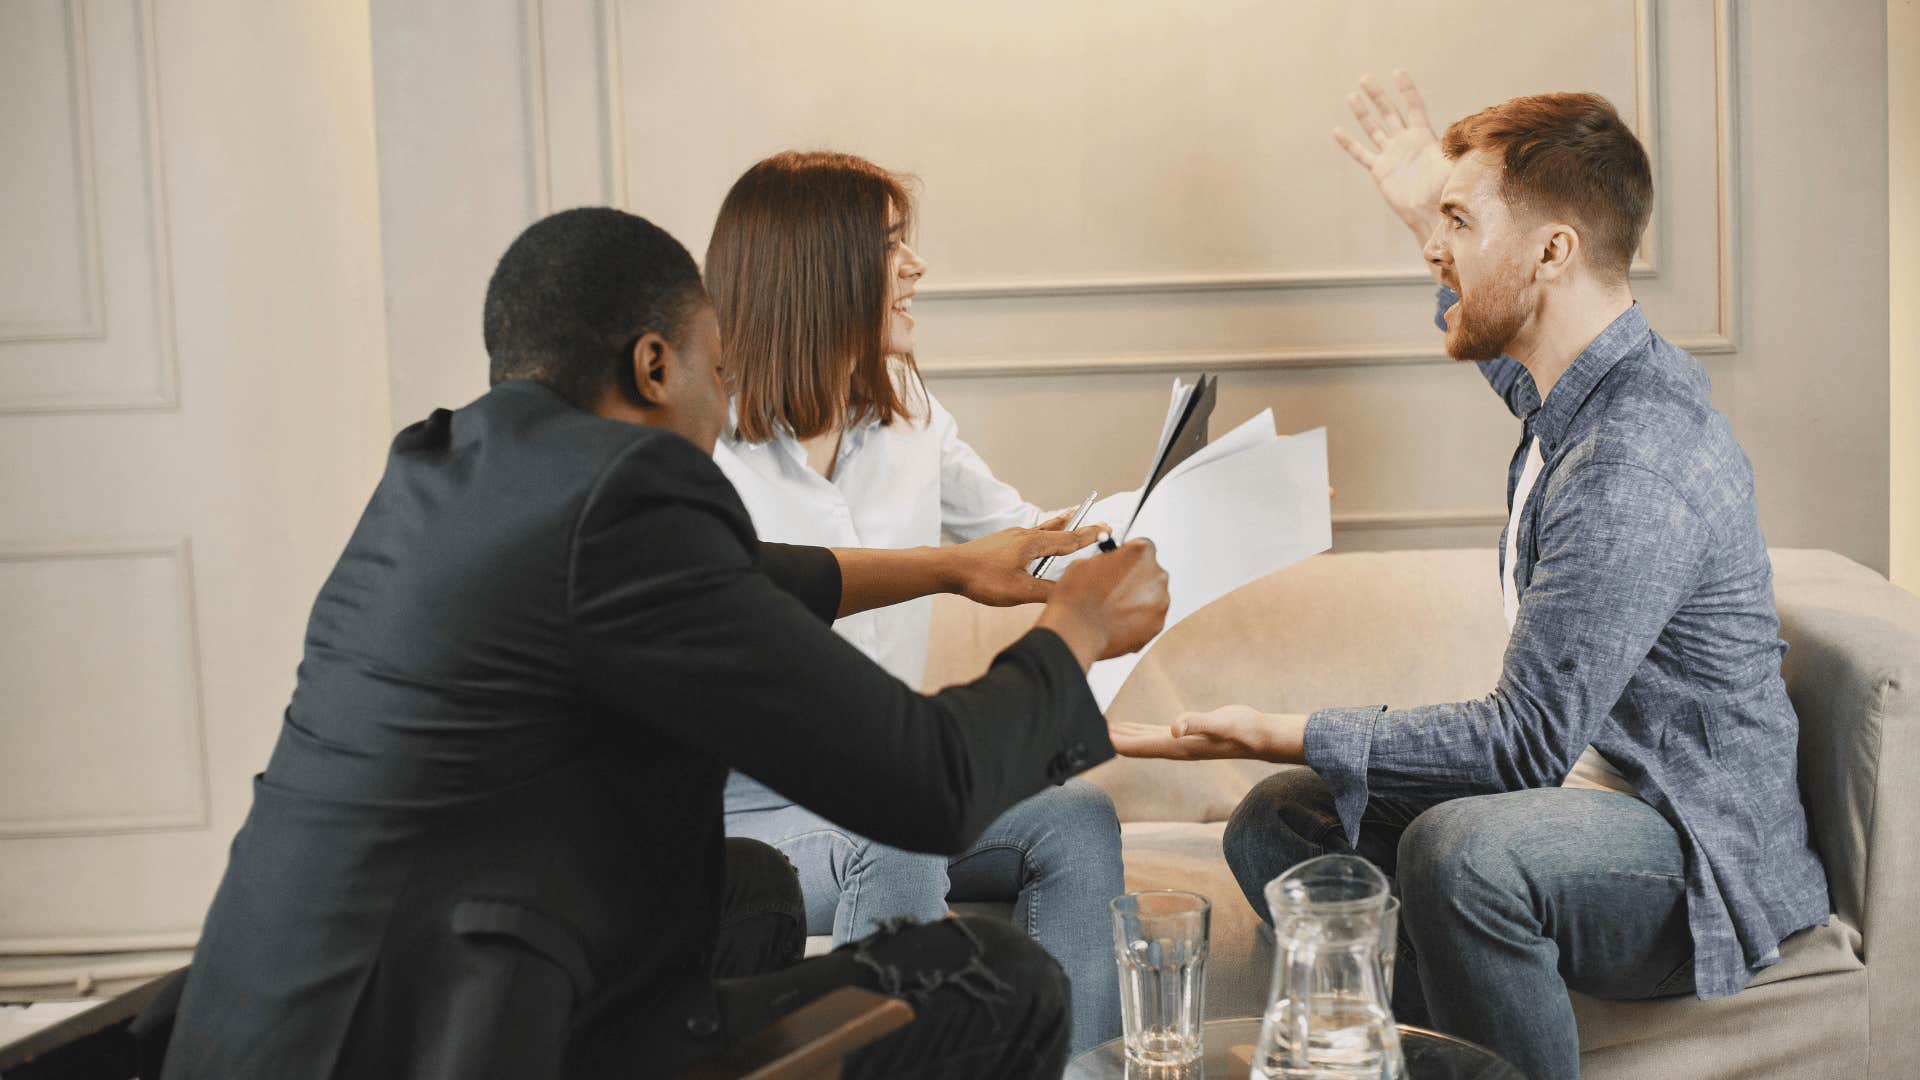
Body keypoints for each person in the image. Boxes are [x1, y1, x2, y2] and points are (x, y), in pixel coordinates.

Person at [159, 206, 1171, 1079]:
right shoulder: (629, 490)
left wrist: (949, 567)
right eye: (716, 374)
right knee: (999, 984)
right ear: (653, 364)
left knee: (752, 885)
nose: (722, 409)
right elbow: (929, 783)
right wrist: (1076, 624)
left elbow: (747, 576)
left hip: (285, 1029)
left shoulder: (443, 475)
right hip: (453, 1047)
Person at [1110, 73, 1829, 1079]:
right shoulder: (1575, 396)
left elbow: (1523, 745)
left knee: (1462, 852)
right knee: (1281, 820)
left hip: (1686, 855)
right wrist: (1430, 217)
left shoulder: (1634, 456)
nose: (1437, 247)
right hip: (1594, 809)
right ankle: (1418, 1063)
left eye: (1460, 220)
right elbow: (1486, 330)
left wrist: (1285, 724)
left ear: (1551, 251)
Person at [704, 151, 1127, 1052]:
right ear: (822, 272)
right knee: (896, 837)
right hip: (742, 821)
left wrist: (1188, 513)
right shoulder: (700, 457)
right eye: (894, 246)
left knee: (1075, 818)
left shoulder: (908, 414)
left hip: (878, 777)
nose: (917, 267)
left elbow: (1027, 541)